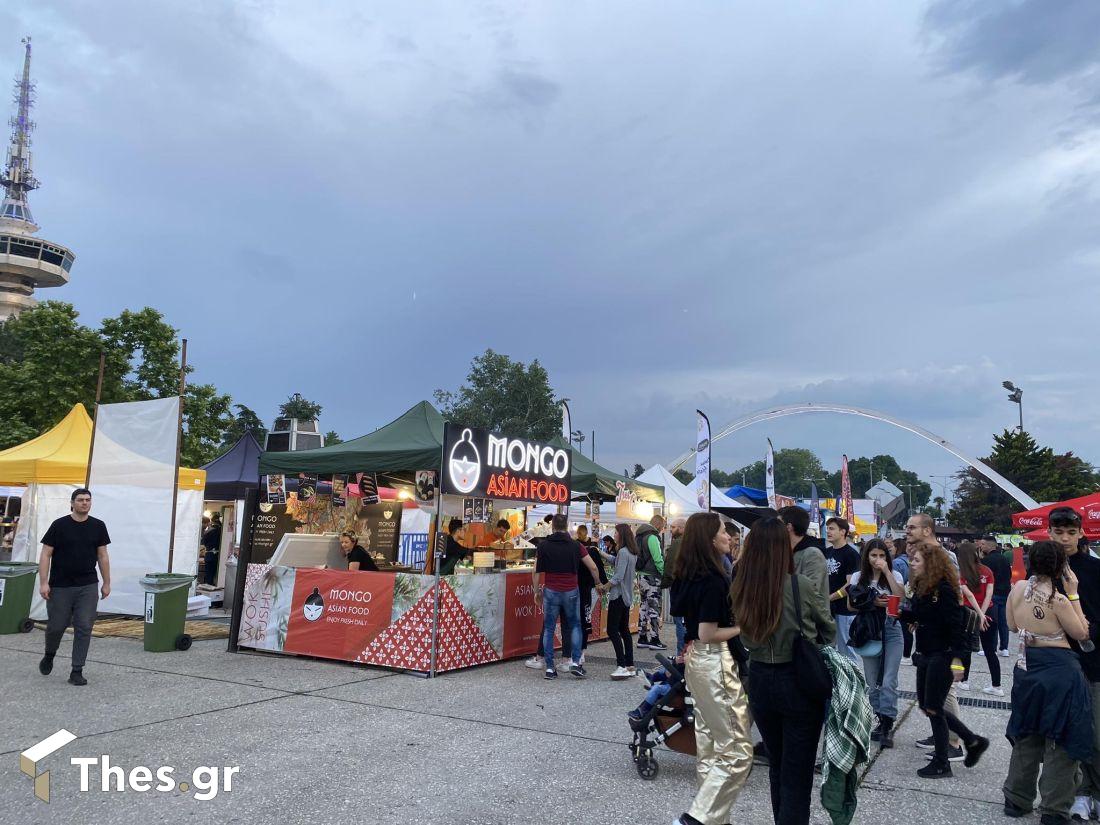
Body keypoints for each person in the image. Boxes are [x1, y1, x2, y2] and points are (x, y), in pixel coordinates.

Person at [732, 516, 835, 825]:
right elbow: (827, 628)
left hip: (761, 678)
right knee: (798, 772)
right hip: (799, 679)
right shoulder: (798, 584)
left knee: (777, 763)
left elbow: (740, 632)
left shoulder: (741, 585)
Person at [669, 511, 752, 825]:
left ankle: (716, 818)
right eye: (721, 532)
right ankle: (697, 818)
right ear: (708, 539)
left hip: (697, 661)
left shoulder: (689, 572)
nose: (728, 536)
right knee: (738, 749)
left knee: (711, 745)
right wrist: (741, 628)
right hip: (714, 659)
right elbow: (708, 632)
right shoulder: (714, 578)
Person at [1003, 540, 1092, 824]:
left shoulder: (1017, 589)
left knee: (1027, 733)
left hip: (1028, 667)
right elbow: (1081, 632)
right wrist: (1075, 595)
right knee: (1062, 739)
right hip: (1059, 670)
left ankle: (1017, 798)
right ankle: (1054, 808)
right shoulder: (1059, 598)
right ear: (1059, 566)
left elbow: (1012, 625)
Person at [899, 541, 989, 778]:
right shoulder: (923, 586)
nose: (912, 563)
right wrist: (899, 613)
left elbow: (956, 626)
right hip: (927, 651)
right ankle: (972, 740)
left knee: (933, 707)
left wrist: (958, 660)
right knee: (927, 705)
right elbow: (922, 615)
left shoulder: (945, 589)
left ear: (930, 564)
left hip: (943, 653)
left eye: (916, 560)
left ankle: (943, 762)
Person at [1045, 507, 1100, 821]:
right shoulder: (1043, 571)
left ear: (1081, 533)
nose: (1064, 538)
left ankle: (1094, 792)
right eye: (1059, 532)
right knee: (1067, 735)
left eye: (1070, 532)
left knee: (1095, 735)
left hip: (1093, 663)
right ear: (1050, 533)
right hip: (1057, 666)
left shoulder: (1093, 569)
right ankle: (1078, 794)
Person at [37, 488, 111, 687]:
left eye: (88, 500)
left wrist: (107, 582)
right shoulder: (59, 525)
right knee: (56, 626)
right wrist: (43, 582)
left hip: (87, 584)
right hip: (60, 585)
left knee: (84, 626)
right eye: (80, 500)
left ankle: (76, 670)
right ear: (72, 503)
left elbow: (102, 555)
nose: (84, 503)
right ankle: (49, 654)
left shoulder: (98, 526)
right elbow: (45, 554)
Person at [847, 538, 905, 748]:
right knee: (873, 683)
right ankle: (880, 719)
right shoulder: (857, 577)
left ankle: (888, 724)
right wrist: (871, 602)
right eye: (874, 555)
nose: (878, 559)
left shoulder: (895, 574)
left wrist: (887, 573)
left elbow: (901, 597)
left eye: (882, 556)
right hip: (868, 631)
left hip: (891, 629)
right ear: (867, 557)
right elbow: (851, 605)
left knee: (889, 680)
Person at [532, 514, 599, 679]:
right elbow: (593, 567)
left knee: (548, 627)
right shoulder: (576, 545)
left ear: (553, 526)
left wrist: (536, 591)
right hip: (571, 591)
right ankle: (575, 663)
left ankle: (549, 668)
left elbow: (535, 570)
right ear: (567, 526)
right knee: (575, 626)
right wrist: (597, 583)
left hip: (551, 591)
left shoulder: (543, 546)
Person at [955, 541, 1002, 696]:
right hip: (990, 612)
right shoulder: (987, 570)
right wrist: (983, 613)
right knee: (990, 650)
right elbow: (989, 594)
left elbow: (968, 594)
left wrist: (979, 615)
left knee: (965, 649)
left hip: (969, 614)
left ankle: (964, 681)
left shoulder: (962, 573)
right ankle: (997, 686)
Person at [824, 517, 861, 662]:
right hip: (828, 609)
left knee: (847, 652)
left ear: (843, 532)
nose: (828, 531)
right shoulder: (826, 552)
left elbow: (851, 584)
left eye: (832, 528)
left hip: (845, 610)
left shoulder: (851, 554)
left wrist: (832, 596)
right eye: (827, 528)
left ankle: (854, 682)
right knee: (830, 651)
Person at [607, 523, 638, 680]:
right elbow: (616, 562)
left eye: (616, 532)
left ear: (622, 534)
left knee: (613, 630)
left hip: (618, 595)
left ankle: (621, 665)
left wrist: (605, 586)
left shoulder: (624, 552)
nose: (614, 535)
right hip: (627, 596)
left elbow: (618, 576)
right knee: (624, 630)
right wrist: (601, 553)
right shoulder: (630, 552)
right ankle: (630, 664)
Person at [777, 504, 828, 598]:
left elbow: (810, 593)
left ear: (788, 527)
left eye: (778, 525)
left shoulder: (813, 554)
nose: (775, 529)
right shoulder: (788, 551)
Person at [575, 523, 608, 664]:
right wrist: (600, 584)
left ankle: (570, 653)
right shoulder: (593, 549)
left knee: (572, 620)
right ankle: (581, 651)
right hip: (586, 589)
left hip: (572, 587)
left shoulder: (574, 547)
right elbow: (597, 568)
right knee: (584, 619)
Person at [636, 514, 668, 651]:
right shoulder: (652, 537)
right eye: (663, 527)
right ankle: (654, 639)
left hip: (641, 576)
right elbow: (658, 559)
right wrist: (664, 573)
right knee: (654, 608)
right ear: (659, 525)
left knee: (643, 607)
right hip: (652, 577)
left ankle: (642, 637)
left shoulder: (639, 536)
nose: (663, 530)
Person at [980, 534, 1013, 658]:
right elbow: (1009, 575)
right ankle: (1004, 647)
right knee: (1003, 622)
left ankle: (991, 648)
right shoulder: (1004, 559)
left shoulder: (986, 561)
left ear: (989, 545)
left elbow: (983, 579)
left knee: (992, 621)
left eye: (983, 544)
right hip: (1005, 593)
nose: (981, 546)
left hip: (992, 594)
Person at [663, 517, 687, 654]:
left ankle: (681, 655)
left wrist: (668, 581)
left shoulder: (678, 543)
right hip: (684, 586)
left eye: (673, 527)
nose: (671, 530)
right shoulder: (689, 542)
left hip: (679, 587)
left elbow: (670, 565)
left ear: (682, 528)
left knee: (680, 623)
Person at [892, 537, 914, 661]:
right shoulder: (911, 560)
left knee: (901, 625)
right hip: (911, 596)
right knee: (909, 625)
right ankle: (907, 654)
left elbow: (895, 582)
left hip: (900, 597)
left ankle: (903, 654)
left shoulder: (896, 563)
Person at [201, 514, 221, 586]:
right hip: (217, 556)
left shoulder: (207, 532)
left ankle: (206, 587)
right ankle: (210, 586)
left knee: (207, 573)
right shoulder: (221, 530)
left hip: (208, 555)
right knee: (212, 574)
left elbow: (203, 543)